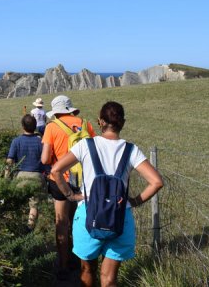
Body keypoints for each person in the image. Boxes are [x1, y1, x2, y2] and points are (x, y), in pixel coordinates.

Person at [50, 101, 163, 287]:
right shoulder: (131, 150)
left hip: (88, 213)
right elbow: (156, 182)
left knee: (87, 270)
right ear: (123, 123)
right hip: (119, 216)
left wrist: (71, 195)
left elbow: (56, 170)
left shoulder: (85, 145)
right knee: (109, 279)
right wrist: (133, 201)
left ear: (100, 122)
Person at [41, 95, 96, 279]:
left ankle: (63, 265)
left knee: (62, 222)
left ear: (56, 111)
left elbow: (45, 159)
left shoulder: (51, 127)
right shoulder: (86, 124)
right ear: (71, 109)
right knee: (78, 222)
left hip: (60, 180)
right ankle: (81, 263)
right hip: (83, 181)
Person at [5, 114, 45, 230]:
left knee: (17, 203)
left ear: (22, 126)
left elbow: (9, 161)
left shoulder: (16, 141)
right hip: (37, 176)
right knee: (34, 205)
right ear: (35, 126)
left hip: (20, 176)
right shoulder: (40, 142)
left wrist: (6, 179)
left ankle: (14, 228)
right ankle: (29, 228)